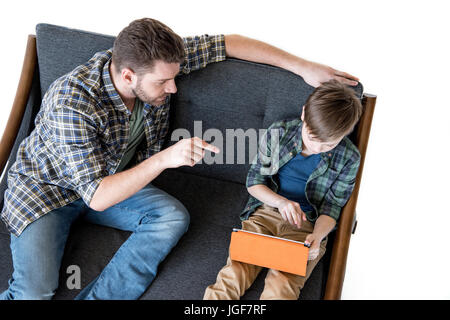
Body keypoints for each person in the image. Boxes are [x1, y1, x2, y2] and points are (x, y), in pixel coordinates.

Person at [0, 17, 359, 300]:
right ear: (128, 75)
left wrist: (302, 67)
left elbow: (227, 43)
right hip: (48, 192)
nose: (174, 88)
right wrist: (164, 159)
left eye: (174, 78)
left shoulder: (155, 66)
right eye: (164, 83)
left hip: (110, 182)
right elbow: (97, 195)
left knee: (171, 217)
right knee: (34, 293)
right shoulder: (73, 102)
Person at [204, 80, 363, 300]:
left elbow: (332, 207)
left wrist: (317, 236)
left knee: (282, 287)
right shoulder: (279, 132)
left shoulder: (350, 157)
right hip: (266, 212)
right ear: (304, 114)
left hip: (306, 226)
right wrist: (280, 202)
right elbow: (254, 181)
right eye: (312, 138)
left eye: (328, 145)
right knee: (234, 275)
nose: (317, 148)